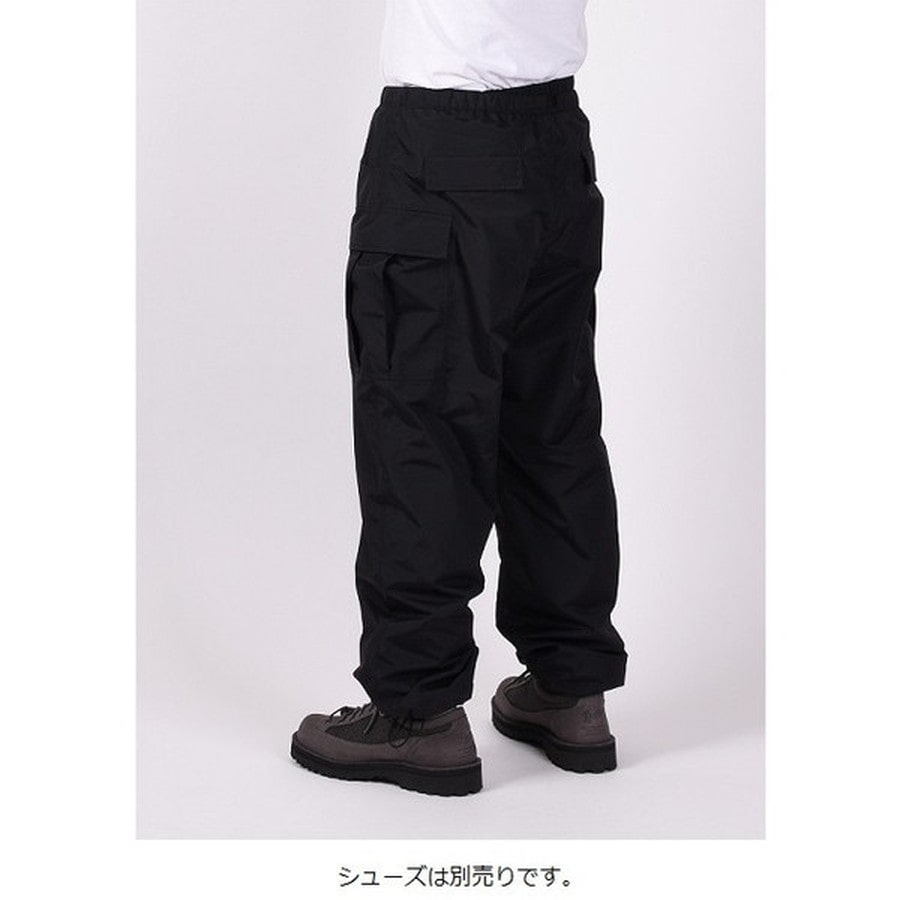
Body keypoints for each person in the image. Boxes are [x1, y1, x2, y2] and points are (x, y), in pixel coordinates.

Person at [291, 0, 627, 796]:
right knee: (551, 423)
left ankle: (419, 716)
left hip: (442, 147)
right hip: (555, 144)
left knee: (422, 431)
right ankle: (572, 689)